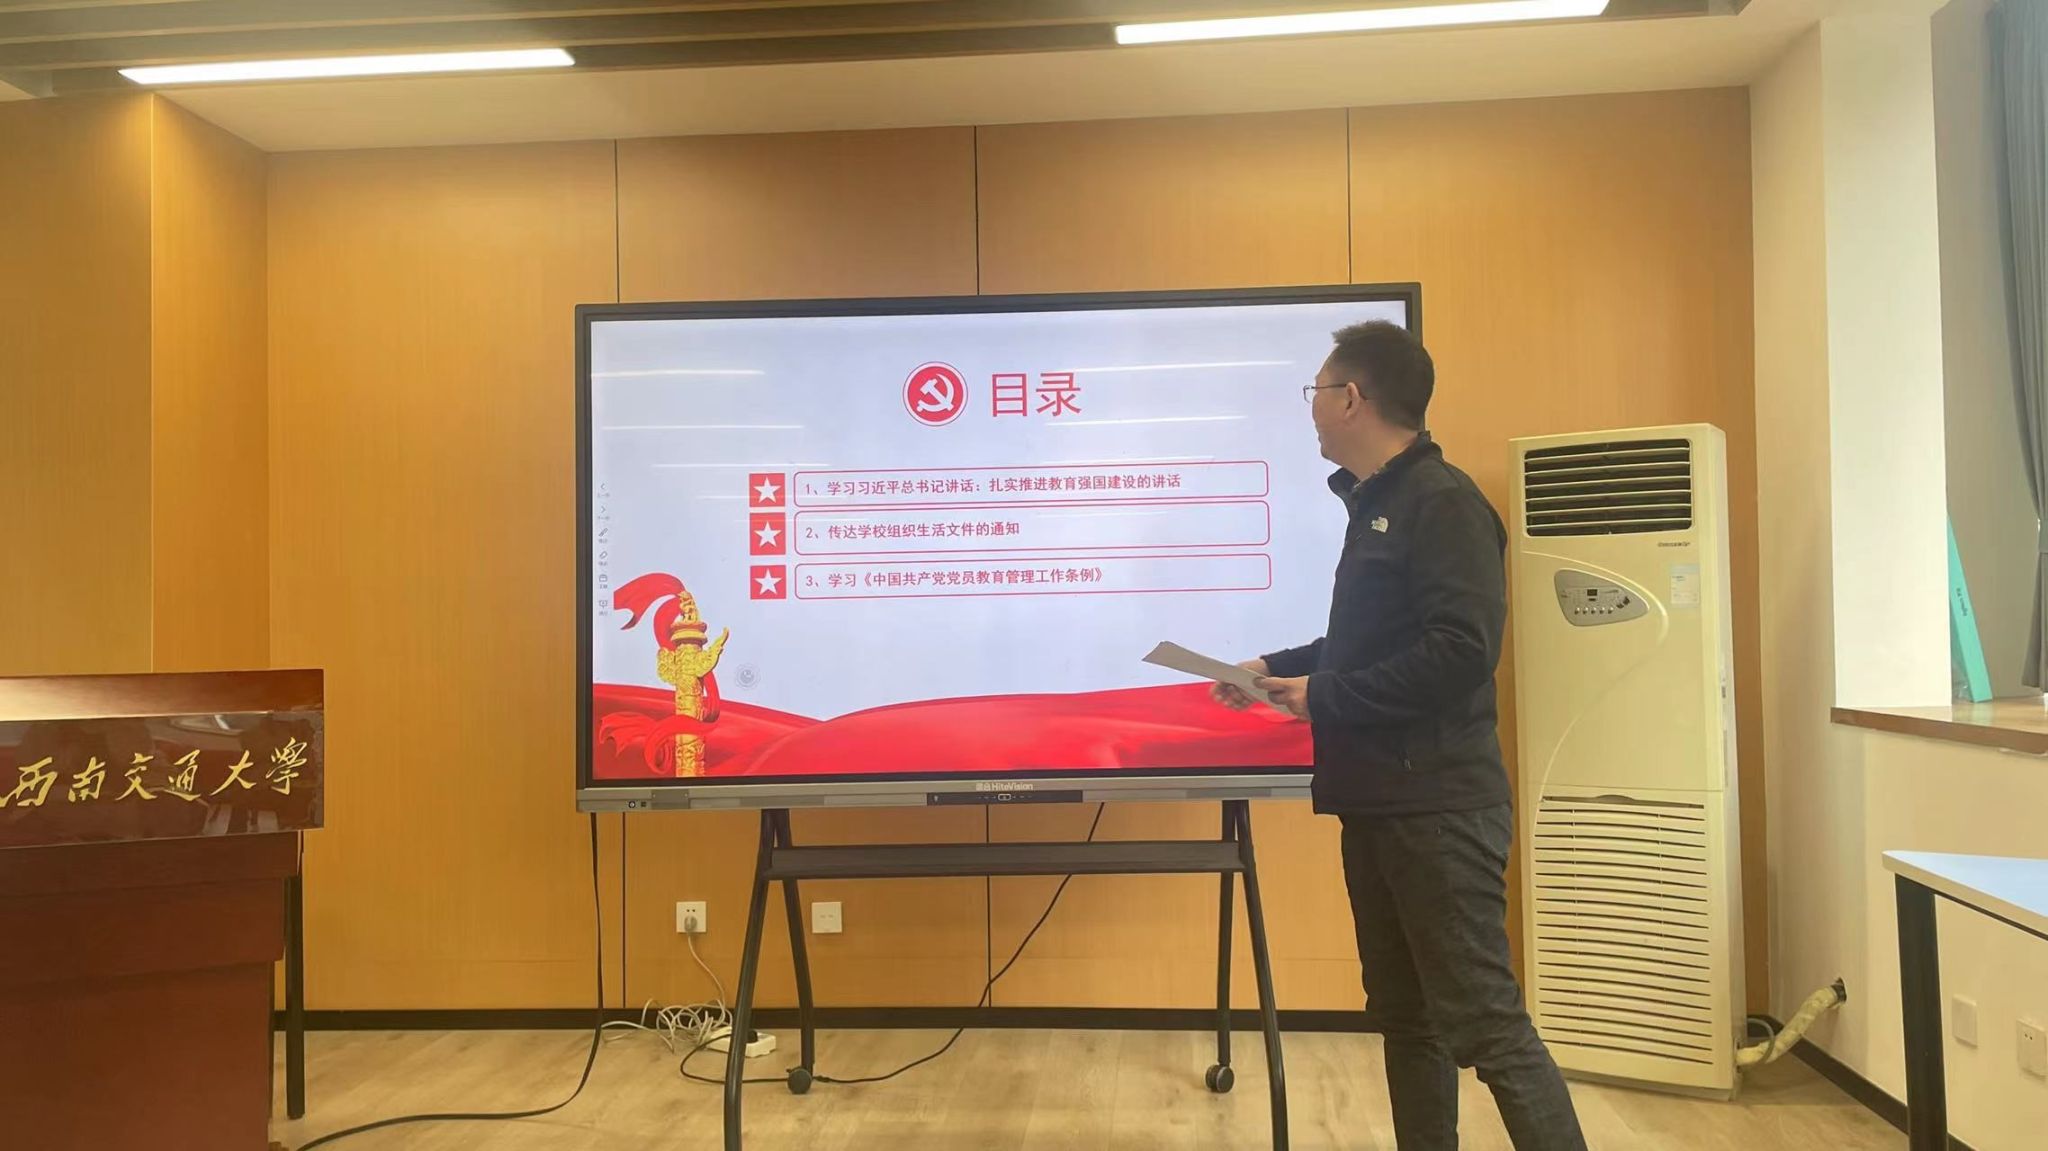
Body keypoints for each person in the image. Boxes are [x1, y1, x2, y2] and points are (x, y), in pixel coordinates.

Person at [1213, 320, 1587, 1150]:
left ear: (1352, 398)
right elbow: (1367, 644)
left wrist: (1326, 694)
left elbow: (1461, 652)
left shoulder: (1442, 502)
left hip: (1438, 811)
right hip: (1380, 806)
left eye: (1316, 390)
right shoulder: (1376, 503)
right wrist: (1271, 666)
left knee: (1487, 1025)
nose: (1311, 407)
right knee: (1406, 1018)